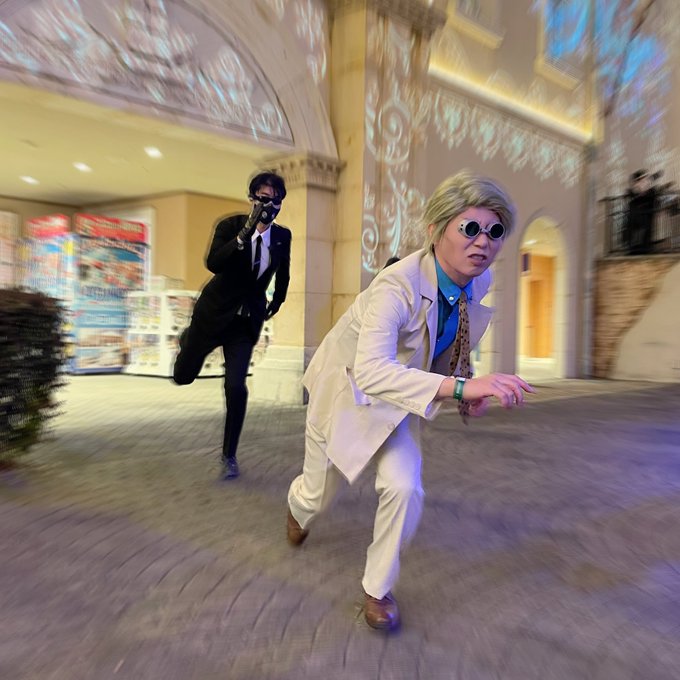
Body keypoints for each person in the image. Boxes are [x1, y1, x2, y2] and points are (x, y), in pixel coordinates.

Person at [286, 171, 534, 631]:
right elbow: (370, 371)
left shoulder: (477, 281)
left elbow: (451, 338)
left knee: (405, 487)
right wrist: (460, 389)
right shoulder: (394, 287)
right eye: (470, 228)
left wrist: (468, 385)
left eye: (495, 231)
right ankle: (298, 508)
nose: (484, 242)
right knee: (319, 496)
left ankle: (377, 589)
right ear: (436, 230)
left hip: (401, 398)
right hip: (345, 394)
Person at [173, 171, 291, 480]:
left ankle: (229, 455)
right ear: (252, 199)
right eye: (263, 198)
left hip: (244, 323)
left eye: (276, 200)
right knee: (183, 376)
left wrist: (276, 301)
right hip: (213, 315)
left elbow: (283, 273)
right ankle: (187, 340)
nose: (269, 206)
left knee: (236, 386)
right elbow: (214, 263)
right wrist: (245, 234)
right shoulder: (230, 226)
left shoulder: (282, 236)